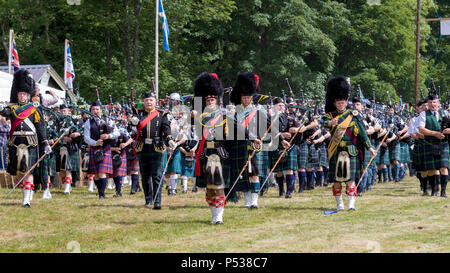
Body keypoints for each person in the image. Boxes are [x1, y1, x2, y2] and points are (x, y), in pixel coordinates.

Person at [323, 76, 376, 211]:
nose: (341, 105)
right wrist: (330, 123)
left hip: (351, 151)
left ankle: (351, 204)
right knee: (336, 181)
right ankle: (339, 204)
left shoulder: (354, 115)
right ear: (334, 103)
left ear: (347, 102)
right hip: (336, 151)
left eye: (343, 102)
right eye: (338, 103)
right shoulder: (330, 116)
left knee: (351, 179)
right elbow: (323, 124)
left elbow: (363, 133)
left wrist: (369, 147)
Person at [0, 69, 51, 208]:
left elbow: (40, 128)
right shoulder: (12, 108)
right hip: (15, 143)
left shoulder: (33, 109)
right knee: (19, 171)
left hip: (31, 144)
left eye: (24, 94)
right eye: (20, 94)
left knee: (29, 170)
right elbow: (4, 113)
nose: (22, 96)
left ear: (28, 95)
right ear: (17, 94)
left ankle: (26, 200)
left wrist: (45, 142)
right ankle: (26, 193)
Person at [193, 72, 230, 224]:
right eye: (207, 100)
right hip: (205, 152)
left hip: (220, 152)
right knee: (209, 186)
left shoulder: (225, 115)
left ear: (218, 100)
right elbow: (196, 135)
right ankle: (214, 214)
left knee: (218, 184)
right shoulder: (200, 117)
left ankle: (218, 216)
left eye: (212, 99)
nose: (210, 102)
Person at [228, 72, 266, 209]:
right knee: (242, 173)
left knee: (253, 172)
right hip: (239, 145)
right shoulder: (234, 112)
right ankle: (247, 200)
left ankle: (254, 201)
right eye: (244, 97)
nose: (246, 100)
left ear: (252, 98)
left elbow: (264, 127)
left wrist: (260, 139)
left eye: (248, 97)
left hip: (254, 145)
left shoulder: (258, 110)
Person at [132, 91, 175, 209]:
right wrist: (132, 122)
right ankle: (148, 199)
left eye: (151, 100)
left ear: (155, 102)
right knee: (145, 175)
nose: (148, 102)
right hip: (142, 147)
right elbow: (132, 125)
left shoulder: (162, 114)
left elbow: (166, 129)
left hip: (157, 147)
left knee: (157, 175)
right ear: (144, 102)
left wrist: (170, 140)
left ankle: (157, 201)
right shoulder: (138, 113)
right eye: (146, 100)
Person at [84, 100, 120, 199]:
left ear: (101, 110)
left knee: (102, 172)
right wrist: (95, 143)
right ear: (91, 110)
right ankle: (100, 191)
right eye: (93, 109)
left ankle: (101, 194)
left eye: (97, 109)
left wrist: (108, 136)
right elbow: (86, 137)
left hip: (106, 149)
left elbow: (117, 133)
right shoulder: (88, 122)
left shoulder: (108, 120)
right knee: (96, 175)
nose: (95, 111)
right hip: (94, 148)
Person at [417, 94, 449, 198]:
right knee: (431, 169)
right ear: (428, 104)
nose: (432, 104)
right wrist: (434, 133)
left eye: (434, 102)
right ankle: (434, 190)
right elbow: (421, 129)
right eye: (430, 103)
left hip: (443, 144)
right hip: (429, 143)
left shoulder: (445, 113)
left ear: (438, 103)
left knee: (444, 167)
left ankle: (443, 192)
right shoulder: (423, 114)